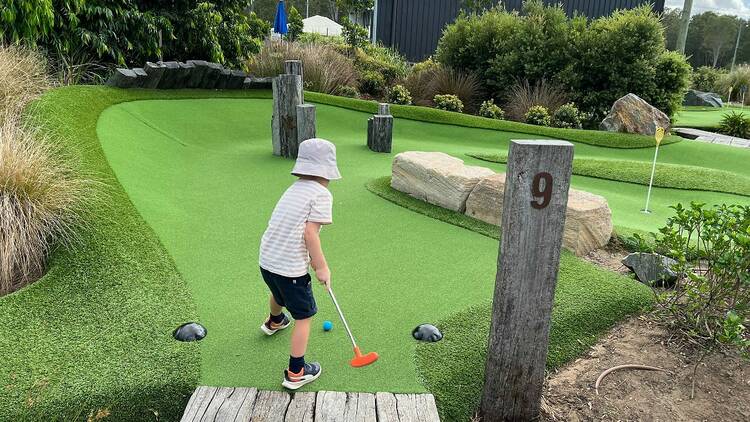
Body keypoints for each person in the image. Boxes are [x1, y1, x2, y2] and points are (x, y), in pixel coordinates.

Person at [258, 138, 340, 390]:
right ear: (327, 171)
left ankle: (274, 322)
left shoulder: (294, 188)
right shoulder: (322, 194)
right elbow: (310, 234)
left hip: (267, 259)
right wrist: (321, 267)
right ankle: (296, 372)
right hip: (290, 268)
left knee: (278, 292)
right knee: (304, 316)